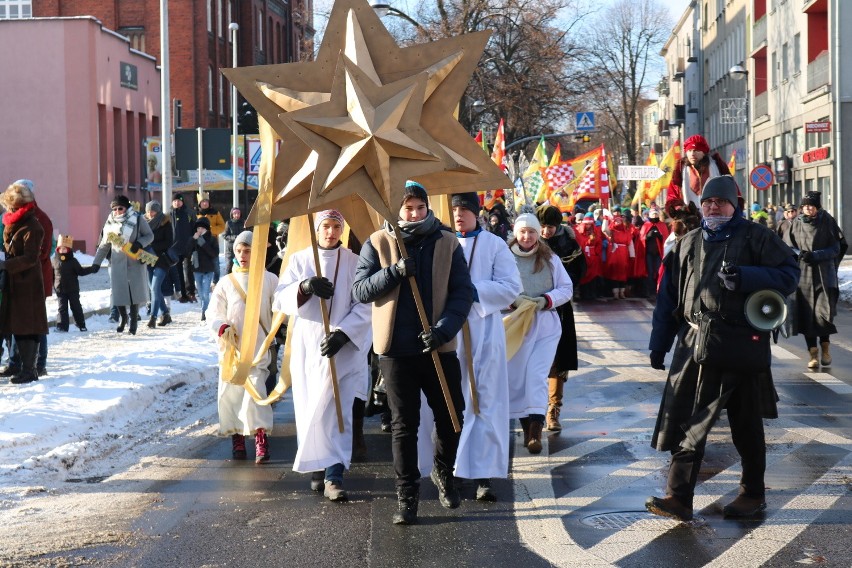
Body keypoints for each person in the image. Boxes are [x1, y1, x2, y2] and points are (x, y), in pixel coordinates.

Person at [646, 175, 800, 522]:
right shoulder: (686, 244)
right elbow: (668, 298)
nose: (713, 206)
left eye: (720, 201)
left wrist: (746, 277)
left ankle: (752, 493)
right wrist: (659, 343)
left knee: (745, 423)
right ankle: (679, 498)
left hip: (741, 343)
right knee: (687, 420)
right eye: (707, 201)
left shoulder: (758, 237)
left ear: (734, 205)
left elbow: (790, 274)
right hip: (694, 343)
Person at [352, 180, 473, 525]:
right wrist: (394, 272)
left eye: (421, 207)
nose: (416, 214)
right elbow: (360, 290)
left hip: (437, 346)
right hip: (396, 350)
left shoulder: (447, 242)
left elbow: (463, 293)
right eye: (409, 208)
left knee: (452, 417)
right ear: (396, 209)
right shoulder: (378, 242)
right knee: (405, 426)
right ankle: (407, 496)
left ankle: (442, 470)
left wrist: (443, 330)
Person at [417, 193, 522, 501]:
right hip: (446, 333)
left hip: (482, 332)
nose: (459, 214)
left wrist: (472, 293)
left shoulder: (494, 245)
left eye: (465, 209)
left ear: (477, 213)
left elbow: (512, 287)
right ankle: (448, 468)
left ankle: (482, 472)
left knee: (483, 400)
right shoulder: (438, 242)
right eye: (454, 209)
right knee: (448, 402)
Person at [275, 210, 372, 502]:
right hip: (310, 346)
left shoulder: (355, 262)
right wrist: (304, 288)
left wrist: (344, 333)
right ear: (317, 229)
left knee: (337, 410)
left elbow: (366, 304)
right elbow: (281, 297)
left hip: (342, 348)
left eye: (336, 227)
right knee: (311, 408)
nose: (330, 232)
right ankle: (317, 462)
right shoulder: (301, 260)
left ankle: (334, 475)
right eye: (326, 226)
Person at [207, 230, 279, 463]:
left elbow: (280, 310)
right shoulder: (226, 282)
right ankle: (237, 437)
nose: (243, 254)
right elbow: (213, 312)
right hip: (232, 351)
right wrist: (221, 327)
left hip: (258, 349)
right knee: (231, 395)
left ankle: (260, 439)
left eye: (248, 250)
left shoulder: (269, 279)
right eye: (239, 250)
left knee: (256, 394)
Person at [504, 213, 573, 454]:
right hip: (515, 324)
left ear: (537, 233)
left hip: (544, 324)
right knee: (518, 377)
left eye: (531, 231)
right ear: (516, 233)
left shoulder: (550, 258)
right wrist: (513, 301)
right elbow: (496, 285)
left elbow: (566, 288)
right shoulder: (504, 256)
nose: (526, 236)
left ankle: (535, 429)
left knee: (536, 374)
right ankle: (527, 430)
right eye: (522, 231)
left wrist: (546, 300)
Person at [783, 191, 846, 370]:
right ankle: (813, 354)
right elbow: (787, 246)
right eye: (804, 206)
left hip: (824, 275)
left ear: (817, 207)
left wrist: (816, 255)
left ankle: (825, 348)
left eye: (811, 205)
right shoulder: (795, 224)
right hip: (802, 276)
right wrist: (800, 255)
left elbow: (836, 247)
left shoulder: (828, 222)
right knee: (806, 315)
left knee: (823, 315)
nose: (807, 208)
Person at [536, 205, 584, 432]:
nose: (545, 231)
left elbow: (578, 272)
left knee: (557, 362)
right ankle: (531, 413)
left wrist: (558, 287)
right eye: (542, 226)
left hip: (560, 309)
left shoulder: (569, 244)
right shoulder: (529, 241)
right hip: (532, 310)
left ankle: (553, 411)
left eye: (550, 227)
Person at [0, 182, 49, 384]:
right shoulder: (14, 222)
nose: (8, 209)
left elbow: (31, 258)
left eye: (11, 205)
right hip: (14, 282)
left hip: (27, 284)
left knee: (27, 325)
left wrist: (6, 264)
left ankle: (30, 370)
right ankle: (18, 366)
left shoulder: (32, 225)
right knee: (15, 325)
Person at [91, 195, 154, 335]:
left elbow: (149, 236)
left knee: (134, 293)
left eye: (121, 208)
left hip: (134, 261)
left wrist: (139, 243)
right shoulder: (109, 223)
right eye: (115, 209)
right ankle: (123, 317)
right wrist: (96, 263)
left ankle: (133, 320)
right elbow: (103, 245)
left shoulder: (137, 219)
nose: (118, 211)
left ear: (126, 208)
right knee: (118, 293)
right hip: (117, 262)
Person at [665, 134, 732, 216]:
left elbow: (732, 192)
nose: (692, 154)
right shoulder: (680, 171)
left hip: (717, 216)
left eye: (696, 150)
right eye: (689, 151)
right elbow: (672, 196)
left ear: (704, 152)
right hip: (689, 221)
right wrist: (679, 208)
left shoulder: (718, 167)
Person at [52, 234, 95, 332]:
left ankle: (81, 324)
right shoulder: (54, 260)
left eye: (65, 249)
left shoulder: (73, 261)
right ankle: (62, 326)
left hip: (72, 289)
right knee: (62, 308)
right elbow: (52, 275)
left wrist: (91, 269)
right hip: (60, 289)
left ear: (69, 250)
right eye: (61, 249)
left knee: (76, 307)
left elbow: (81, 272)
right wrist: (53, 285)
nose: (62, 251)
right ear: (57, 249)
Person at [144, 200, 175, 328]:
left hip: (161, 260)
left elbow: (168, 242)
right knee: (153, 289)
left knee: (155, 288)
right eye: (148, 211)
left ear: (158, 211)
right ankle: (166, 314)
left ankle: (153, 317)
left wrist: (151, 245)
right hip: (148, 259)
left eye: (153, 211)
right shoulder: (144, 224)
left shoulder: (165, 222)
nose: (150, 213)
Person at [170, 193, 197, 303]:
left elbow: (195, 228)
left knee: (188, 270)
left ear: (182, 202)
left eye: (179, 201)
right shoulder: (168, 215)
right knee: (178, 271)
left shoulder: (189, 213)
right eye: (175, 201)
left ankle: (190, 292)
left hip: (187, 246)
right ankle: (182, 293)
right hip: (174, 247)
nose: (177, 203)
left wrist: (193, 241)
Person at [191, 217, 219, 321]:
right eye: (198, 228)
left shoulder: (212, 239)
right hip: (197, 269)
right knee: (201, 292)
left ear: (206, 228)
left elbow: (214, 254)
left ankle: (204, 312)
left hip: (208, 269)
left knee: (205, 293)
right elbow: (187, 251)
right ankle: (206, 309)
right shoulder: (194, 238)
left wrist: (202, 243)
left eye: (202, 228)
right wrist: (192, 239)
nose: (200, 230)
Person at [602, 208, 633, 299]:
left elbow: (630, 244)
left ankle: (621, 292)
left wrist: (632, 255)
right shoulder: (612, 232)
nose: (618, 222)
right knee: (615, 272)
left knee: (623, 272)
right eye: (617, 221)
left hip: (623, 254)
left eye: (620, 221)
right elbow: (604, 229)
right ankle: (616, 293)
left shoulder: (626, 232)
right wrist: (605, 219)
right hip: (614, 254)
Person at [640, 205, 670, 297]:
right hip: (648, 253)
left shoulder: (662, 225)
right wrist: (648, 236)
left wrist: (660, 236)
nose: (654, 216)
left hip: (658, 253)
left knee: (658, 271)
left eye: (656, 215)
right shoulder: (646, 225)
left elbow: (666, 238)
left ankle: (658, 290)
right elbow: (641, 238)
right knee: (649, 271)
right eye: (653, 215)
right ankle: (649, 290)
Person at [195, 195, 225, 285]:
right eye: (202, 201)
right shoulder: (195, 213)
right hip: (199, 242)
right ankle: (201, 283)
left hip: (212, 241)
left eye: (206, 201)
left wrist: (209, 230)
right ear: (199, 203)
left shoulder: (215, 212)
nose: (204, 203)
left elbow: (222, 226)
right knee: (199, 262)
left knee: (215, 262)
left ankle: (216, 282)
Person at [222, 208, 245, 274]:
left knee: (240, 265)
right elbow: (225, 236)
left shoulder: (244, 222)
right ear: (232, 214)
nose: (237, 215)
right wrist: (235, 237)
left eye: (238, 213)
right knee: (229, 265)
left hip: (241, 247)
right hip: (230, 248)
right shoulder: (228, 223)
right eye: (235, 213)